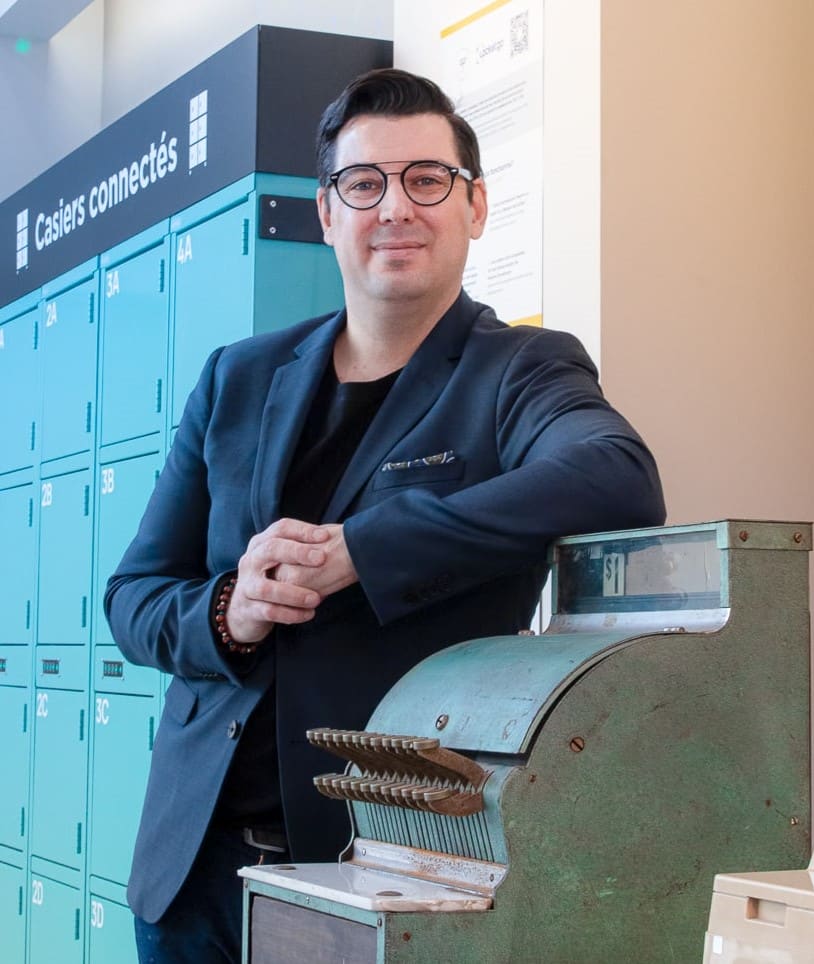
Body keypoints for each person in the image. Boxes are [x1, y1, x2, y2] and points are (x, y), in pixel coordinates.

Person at [105, 67, 665, 963]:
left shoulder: (519, 371)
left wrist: (363, 549)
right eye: (363, 184)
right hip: (193, 872)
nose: (394, 207)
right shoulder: (237, 377)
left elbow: (616, 475)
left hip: (383, 870)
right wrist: (229, 610)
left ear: (474, 206)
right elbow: (133, 597)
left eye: (425, 180)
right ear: (327, 213)